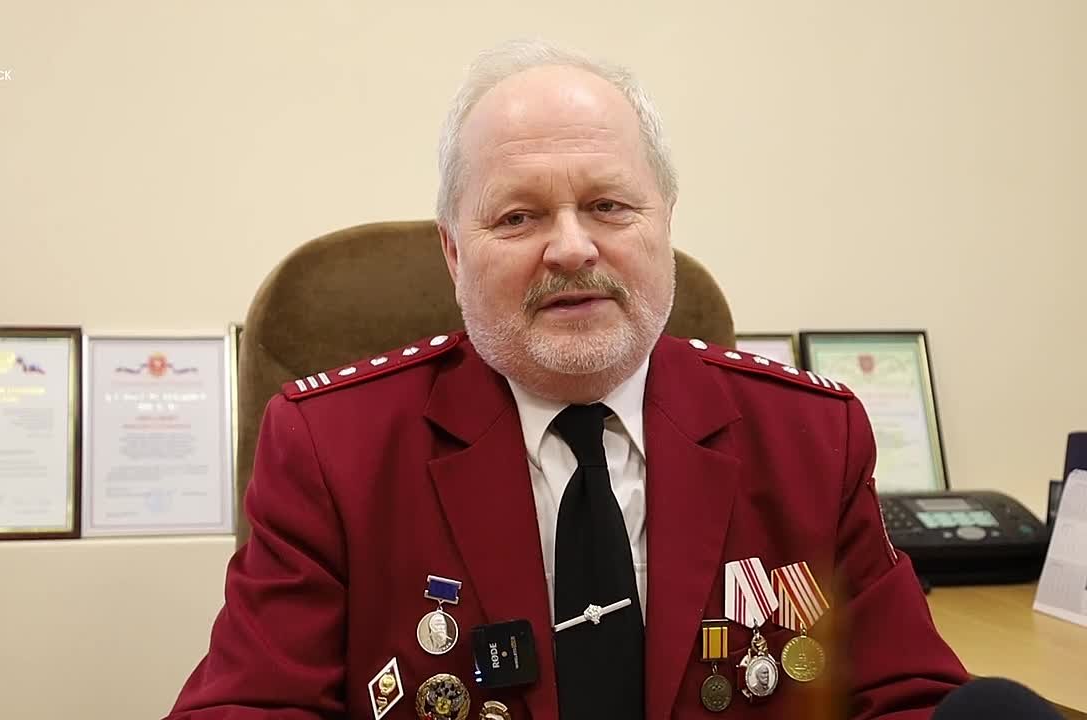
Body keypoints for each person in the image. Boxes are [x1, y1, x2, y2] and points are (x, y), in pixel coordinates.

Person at [166, 39, 969, 719]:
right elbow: (250, 705)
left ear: (665, 222)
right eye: (518, 217)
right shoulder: (331, 451)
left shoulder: (811, 440)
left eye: (609, 206)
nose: (573, 248)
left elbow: (909, 696)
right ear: (454, 253)